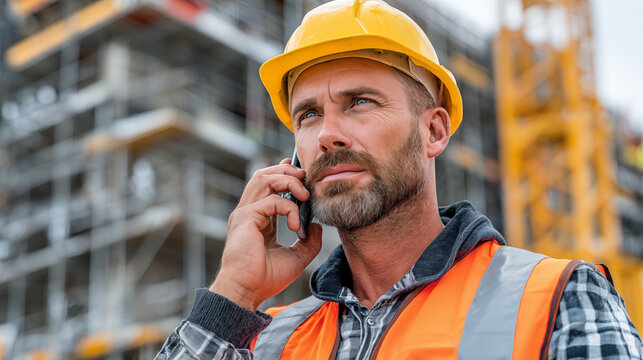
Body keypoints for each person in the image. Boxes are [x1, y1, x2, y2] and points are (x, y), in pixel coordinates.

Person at [155, 0, 642, 359]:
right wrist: (233, 295)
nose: (327, 135)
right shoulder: (270, 340)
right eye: (307, 116)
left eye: (359, 103)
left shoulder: (556, 298)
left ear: (433, 130)